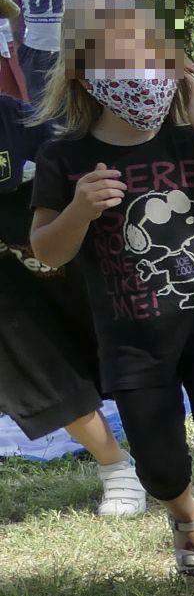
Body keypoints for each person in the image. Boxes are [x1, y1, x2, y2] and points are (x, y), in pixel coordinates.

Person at [30, 0, 194, 596]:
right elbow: (47, 252)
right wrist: (80, 209)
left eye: (151, 49)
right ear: (84, 71)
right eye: (119, 54)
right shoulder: (66, 158)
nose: (139, 66)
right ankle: (183, 511)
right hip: (131, 336)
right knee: (162, 465)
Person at [0, 88, 144, 515]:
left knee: (118, 352)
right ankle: (116, 468)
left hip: (54, 253)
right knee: (32, 367)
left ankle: (158, 448)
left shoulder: (21, 121)